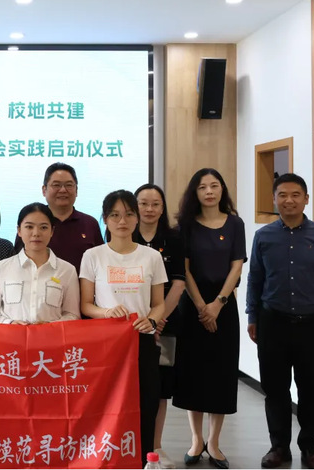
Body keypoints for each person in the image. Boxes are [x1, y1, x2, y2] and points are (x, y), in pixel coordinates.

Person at [247, 173, 314, 470]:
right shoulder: (263, 236)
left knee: (310, 391)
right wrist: (252, 315)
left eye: (295, 195)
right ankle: (279, 447)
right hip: (272, 322)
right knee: (275, 390)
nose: (288, 200)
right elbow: (255, 279)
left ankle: (310, 448)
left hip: (312, 325)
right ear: (274, 199)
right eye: (282, 195)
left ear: (306, 199)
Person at [80, 189, 167, 466]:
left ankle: (142, 461)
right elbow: (85, 305)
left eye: (129, 214)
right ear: (105, 219)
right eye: (115, 215)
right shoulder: (93, 256)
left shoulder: (151, 257)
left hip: (141, 341)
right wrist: (106, 312)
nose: (122, 221)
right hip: (106, 345)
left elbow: (159, 304)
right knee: (105, 407)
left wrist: (150, 320)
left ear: (137, 218)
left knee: (145, 405)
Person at [172, 169, 246, 470]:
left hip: (224, 305)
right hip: (193, 305)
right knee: (194, 374)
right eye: (203, 187)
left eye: (215, 186)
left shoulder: (235, 223)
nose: (209, 191)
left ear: (222, 190)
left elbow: (237, 266)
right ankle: (196, 439)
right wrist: (203, 307)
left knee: (221, 374)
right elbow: (184, 269)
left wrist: (218, 304)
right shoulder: (186, 226)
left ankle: (214, 442)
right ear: (195, 192)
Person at [133, 184, 186, 469]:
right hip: (130, 325)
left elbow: (178, 282)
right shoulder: (125, 233)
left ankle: (155, 446)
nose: (149, 209)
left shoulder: (174, 239)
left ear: (163, 208)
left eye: (155, 204)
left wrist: (158, 316)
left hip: (165, 323)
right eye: (143, 203)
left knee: (160, 387)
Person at [0, 202, 80, 324]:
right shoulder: (2, 267)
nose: (36, 233)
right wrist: (9, 323)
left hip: (51, 336)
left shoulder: (67, 270)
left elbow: (72, 314)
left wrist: (51, 326)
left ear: (52, 231)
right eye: (29, 227)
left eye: (43, 227)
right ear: (19, 230)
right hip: (10, 335)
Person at [14, 162, 102, 273]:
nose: (63, 190)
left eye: (69, 185)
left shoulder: (90, 223)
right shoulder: (31, 223)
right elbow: (17, 263)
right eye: (56, 185)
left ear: (76, 190)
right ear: (44, 190)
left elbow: (100, 264)